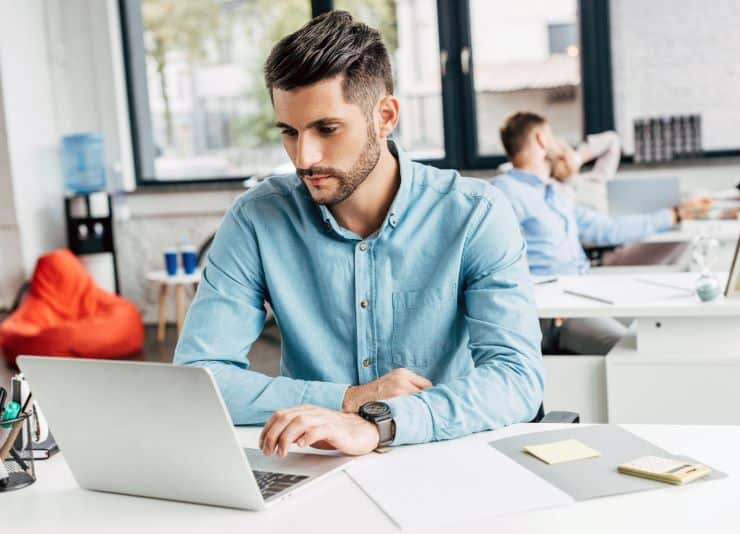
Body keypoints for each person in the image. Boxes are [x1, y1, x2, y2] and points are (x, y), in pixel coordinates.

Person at [174, 12, 544, 458]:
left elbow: (516, 378)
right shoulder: (257, 219)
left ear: (385, 116)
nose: (304, 157)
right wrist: (349, 399)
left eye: (326, 129)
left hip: (446, 456)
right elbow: (199, 375)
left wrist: (379, 424)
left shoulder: (475, 214)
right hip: (314, 464)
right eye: (289, 133)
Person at [492, 112, 709, 355]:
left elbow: (608, 229)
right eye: (553, 136)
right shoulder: (505, 191)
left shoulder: (555, 195)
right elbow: (498, 263)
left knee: (661, 327)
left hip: (582, 294)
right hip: (552, 312)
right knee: (636, 350)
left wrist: (674, 214)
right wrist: (545, 301)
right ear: (542, 139)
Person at [548, 131, 622, 211]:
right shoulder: (555, 191)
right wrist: (576, 158)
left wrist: (578, 158)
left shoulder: (596, 178)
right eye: (560, 158)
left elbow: (613, 140)